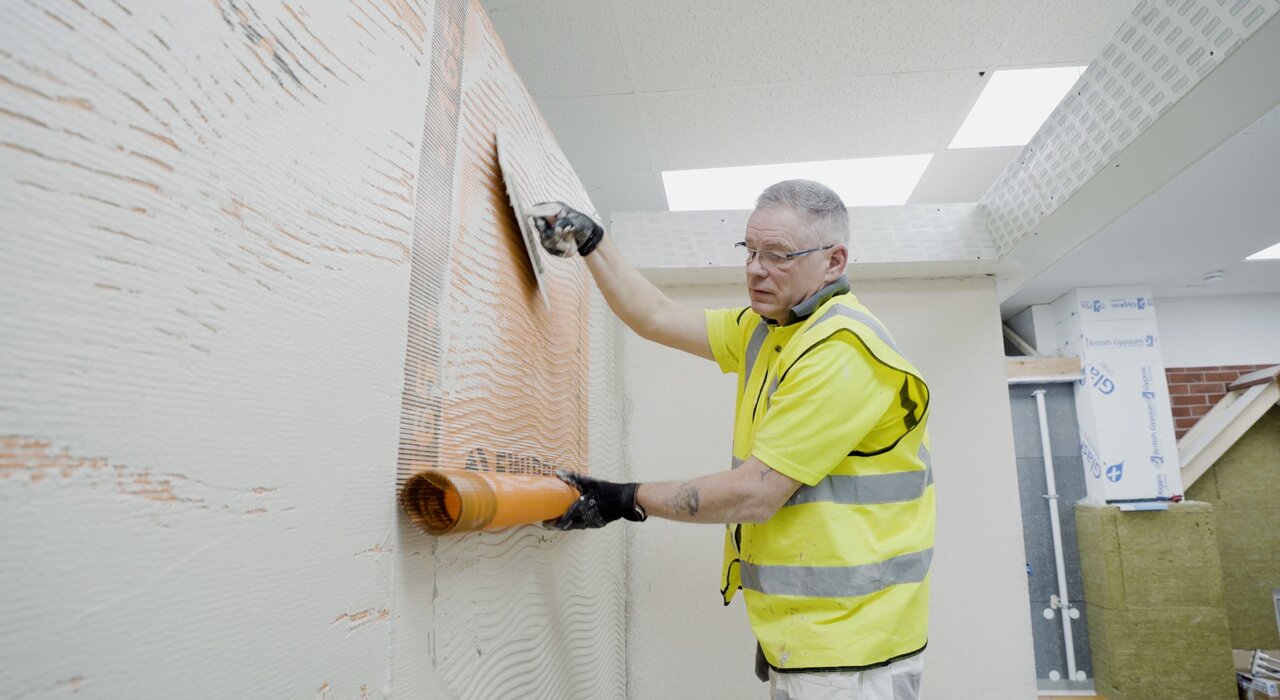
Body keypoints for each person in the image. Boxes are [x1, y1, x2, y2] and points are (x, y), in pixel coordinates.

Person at [528, 180, 934, 700]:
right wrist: (591, 241)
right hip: (815, 636)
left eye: (779, 255)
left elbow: (754, 494)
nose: (756, 269)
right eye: (751, 251)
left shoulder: (841, 352)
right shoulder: (771, 329)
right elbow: (654, 316)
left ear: (834, 262)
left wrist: (622, 499)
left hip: (851, 649)